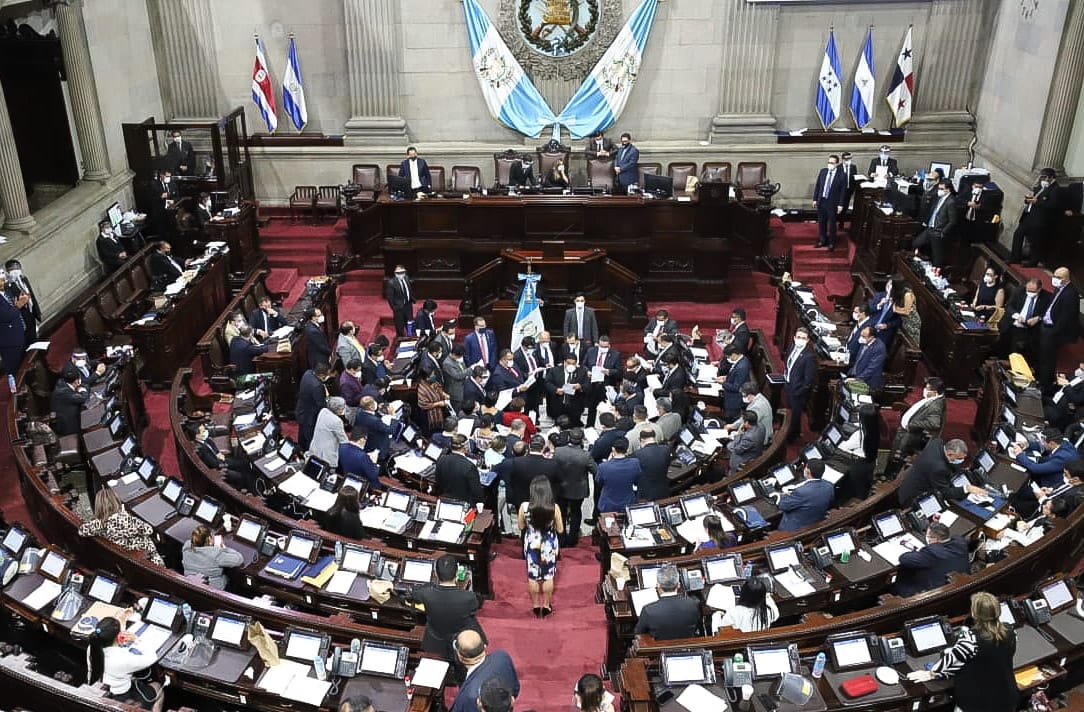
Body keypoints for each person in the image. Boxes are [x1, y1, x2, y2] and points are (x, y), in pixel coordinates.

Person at [906, 592, 1017, 712]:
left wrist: (930, 674)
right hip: (1006, 697)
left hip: (978, 703)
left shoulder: (971, 639)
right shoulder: (1010, 631)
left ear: (974, 613)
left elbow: (951, 662)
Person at [409, 554, 485, 674]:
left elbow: (412, 595)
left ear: (435, 574)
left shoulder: (426, 593)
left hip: (436, 639)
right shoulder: (468, 597)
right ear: (456, 574)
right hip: (461, 641)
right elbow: (476, 605)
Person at [86, 615, 164, 711]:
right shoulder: (123, 659)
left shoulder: (92, 647)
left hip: (99, 691)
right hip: (120, 698)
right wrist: (136, 640)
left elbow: (106, 633)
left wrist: (121, 624)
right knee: (157, 687)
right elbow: (152, 657)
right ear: (118, 636)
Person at [78, 489, 165, 566]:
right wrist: (126, 514)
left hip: (128, 560)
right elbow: (149, 530)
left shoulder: (100, 524)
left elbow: (82, 531)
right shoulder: (128, 519)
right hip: (149, 559)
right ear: (117, 502)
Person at [518, 476, 563, 617]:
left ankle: (536, 605)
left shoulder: (524, 507)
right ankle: (546, 605)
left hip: (532, 543)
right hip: (549, 544)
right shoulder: (554, 508)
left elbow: (520, 526)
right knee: (548, 576)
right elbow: (561, 530)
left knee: (533, 576)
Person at [898, 438, 986, 507]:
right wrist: (967, 488)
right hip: (913, 497)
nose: (961, 461)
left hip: (912, 481)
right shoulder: (938, 468)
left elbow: (948, 463)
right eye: (959, 459)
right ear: (950, 454)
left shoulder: (937, 443)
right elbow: (945, 492)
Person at [449, 630, 520, 712]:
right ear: (484, 647)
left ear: (460, 656)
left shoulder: (469, 696)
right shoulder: (502, 656)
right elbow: (515, 688)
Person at [893, 522, 969, 596]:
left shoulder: (932, 552)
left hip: (936, 592)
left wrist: (919, 551)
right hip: (961, 587)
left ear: (935, 539)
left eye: (928, 536)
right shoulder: (960, 542)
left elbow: (903, 559)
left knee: (904, 571)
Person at [1037, 266, 1081, 392]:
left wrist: (1053, 333)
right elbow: (1052, 306)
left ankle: (1045, 386)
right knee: (1043, 356)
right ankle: (1041, 379)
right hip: (1046, 326)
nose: (1054, 279)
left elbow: (1065, 318)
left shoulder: (1071, 294)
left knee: (1048, 360)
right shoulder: (1059, 289)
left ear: (1066, 279)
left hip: (1054, 331)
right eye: (1054, 275)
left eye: (1058, 277)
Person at [552, 428, 596, 547]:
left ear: (568, 438)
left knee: (561, 512)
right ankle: (572, 540)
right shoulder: (585, 455)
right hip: (578, 489)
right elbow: (595, 471)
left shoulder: (558, 451)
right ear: (581, 440)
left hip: (561, 488)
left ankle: (561, 538)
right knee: (576, 512)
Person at [634, 563, 701, 639]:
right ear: (678, 585)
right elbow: (696, 626)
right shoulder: (693, 604)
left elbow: (638, 634)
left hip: (659, 649)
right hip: (689, 649)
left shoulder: (648, 610)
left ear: (658, 585)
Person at [1010, 167, 1061, 266]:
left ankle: (1033, 262)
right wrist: (1028, 199)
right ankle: (1015, 257)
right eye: (1042, 177)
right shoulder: (1040, 187)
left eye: (1045, 177)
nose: (1043, 180)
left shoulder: (1056, 190)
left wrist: (1037, 201)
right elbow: (1032, 198)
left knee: (1035, 241)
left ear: (1051, 178)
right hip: (1029, 217)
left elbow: (1053, 205)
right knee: (1018, 234)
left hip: (1040, 219)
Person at [193, 421, 258, 492]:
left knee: (244, 462)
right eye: (203, 431)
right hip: (219, 469)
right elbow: (214, 464)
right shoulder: (201, 450)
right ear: (197, 435)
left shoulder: (204, 439)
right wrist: (223, 461)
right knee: (243, 473)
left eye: (205, 429)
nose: (206, 431)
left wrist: (218, 452)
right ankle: (252, 489)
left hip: (220, 460)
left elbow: (211, 442)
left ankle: (252, 479)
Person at [891, 377, 946, 459]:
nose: (924, 390)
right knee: (895, 450)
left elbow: (934, 423)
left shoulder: (936, 406)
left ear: (934, 392)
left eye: (927, 388)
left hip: (909, 434)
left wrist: (912, 425)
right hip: (906, 430)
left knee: (898, 456)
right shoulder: (932, 398)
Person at [995, 278, 1049, 361]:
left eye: (1033, 291)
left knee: (1016, 356)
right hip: (1012, 325)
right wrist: (1017, 315)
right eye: (1028, 290)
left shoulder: (1047, 297)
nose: (1029, 293)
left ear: (1039, 289)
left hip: (1027, 330)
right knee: (1001, 349)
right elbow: (1008, 306)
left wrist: (1038, 318)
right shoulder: (1019, 291)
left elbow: (1050, 313)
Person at [1008, 427, 1078, 489]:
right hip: (1049, 469)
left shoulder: (1062, 457)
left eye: (1043, 441)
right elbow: (1042, 446)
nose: (1042, 443)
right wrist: (1027, 445)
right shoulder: (1063, 442)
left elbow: (1036, 469)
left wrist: (1019, 454)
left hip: (1048, 486)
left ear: (1052, 443)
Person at [776, 460, 835, 531]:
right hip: (816, 521)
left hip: (794, 529)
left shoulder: (801, 492)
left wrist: (780, 496)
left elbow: (782, 506)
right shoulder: (829, 485)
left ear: (808, 471)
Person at [912, 180, 958, 267]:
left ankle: (936, 273)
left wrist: (943, 232)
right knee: (916, 243)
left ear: (948, 190)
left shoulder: (951, 202)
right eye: (939, 188)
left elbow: (953, 221)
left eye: (941, 189)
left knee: (937, 257)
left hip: (938, 232)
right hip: (930, 228)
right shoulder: (939, 198)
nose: (939, 191)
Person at [838, 403, 879, 501]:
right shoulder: (875, 428)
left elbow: (843, 447)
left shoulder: (860, 435)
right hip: (870, 463)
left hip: (859, 467)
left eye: (859, 414)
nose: (857, 415)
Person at [182, 525, 244, 589]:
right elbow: (239, 559)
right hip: (212, 591)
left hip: (191, 586)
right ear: (209, 538)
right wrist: (223, 547)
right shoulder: (216, 554)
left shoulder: (186, 548)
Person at [711, 575, 778, 634]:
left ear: (743, 593)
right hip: (758, 641)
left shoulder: (734, 612)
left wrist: (716, 616)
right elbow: (776, 615)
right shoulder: (768, 611)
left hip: (739, 642)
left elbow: (719, 632)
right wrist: (765, 595)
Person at [783, 326, 816, 442]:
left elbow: (809, 381)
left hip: (797, 392)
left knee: (795, 416)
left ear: (807, 340)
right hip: (788, 385)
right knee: (789, 413)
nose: (800, 340)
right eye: (798, 337)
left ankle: (791, 438)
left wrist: (799, 392)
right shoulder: (792, 347)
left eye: (803, 338)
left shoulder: (809, 357)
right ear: (794, 338)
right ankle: (791, 432)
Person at [436, 434, 485, 506]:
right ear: (465, 446)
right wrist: (480, 501)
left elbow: (438, 481)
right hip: (465, 503)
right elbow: (476, 491)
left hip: (445, 500)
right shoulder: (469, 466)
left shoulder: (441, 460)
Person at [596, 437, 640, 513]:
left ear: (613, 449)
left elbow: (598, 481)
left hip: (608, 504)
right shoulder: (635, 463)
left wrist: (608, 462)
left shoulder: (603, 466)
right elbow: (637, 480)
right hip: (628, 502)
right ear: (626, 449)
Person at [813, 153, 847, 250]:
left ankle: (832, 242)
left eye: (832, 163)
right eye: (829, 162)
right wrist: (815, 199)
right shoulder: (823, 172)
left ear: (837, 164)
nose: (830, 164)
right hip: (822, 201)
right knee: (821, 222)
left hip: (832, 203)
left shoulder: (842, 175)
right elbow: (818, 186)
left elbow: (843, 191)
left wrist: (840, 204)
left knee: (832, 224)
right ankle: (822, 240)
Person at [3, 260, 40, 345]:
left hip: (31, 313)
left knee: (35, 337)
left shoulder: (24, 279)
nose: (16, 271)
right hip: (22, 317)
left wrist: (37, 312)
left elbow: (32, 295)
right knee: (28, 340)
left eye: (17, 268)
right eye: (12, 269)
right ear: (8, 272)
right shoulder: (8, 288)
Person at [546, 353, 588, 427]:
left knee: (574, 427)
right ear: (564, 362)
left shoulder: (582, 372)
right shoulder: (554, 370)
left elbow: (588, 385)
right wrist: (556, 389)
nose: (571, 365)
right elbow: (547, 383)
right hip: (559, 404)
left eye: (573, 363)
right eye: (568, 363)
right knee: (559, 426)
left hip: (575, 405)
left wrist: (580, 386)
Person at [296, 363, 331, 450]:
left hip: (301, 410)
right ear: (322, 375)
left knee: (302, 435)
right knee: (310, 439)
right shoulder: (317, 386)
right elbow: (321, 405)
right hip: (309, 417)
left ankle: (300, 450)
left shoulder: (308, 373)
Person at [354, 395, 398, 462]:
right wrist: (393, 416)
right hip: (377, 446)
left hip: (368, 441)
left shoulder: (360, 414)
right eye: (373, 402)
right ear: (371, 407)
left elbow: (372, 415)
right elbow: (391, 430)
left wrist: (379, 411)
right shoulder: (375, 421)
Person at [633, 428, 671, 501]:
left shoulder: (637, 454)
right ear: (654, 437)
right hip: (664, 491)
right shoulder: (666, 449)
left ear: (641, 439)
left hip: (645, 495)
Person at [310, 396, 349, 467]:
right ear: (338, 409)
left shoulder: (323, 411)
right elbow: (343, 440)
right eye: (343, 408)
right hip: (326, 455)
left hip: (315, 448)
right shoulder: (337, 421)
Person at [50, 366, 89, 436]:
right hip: (67, 425)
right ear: (76, 381)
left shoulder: (62, 382)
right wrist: (83, 390)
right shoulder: (64, 392)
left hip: (65, 415)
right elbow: (83, 397)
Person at [847, 326, 886, 391]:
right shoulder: (865, 342)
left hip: (867, 382)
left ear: (871, 337)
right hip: (855, 374)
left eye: (863, 337)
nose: (861, 338)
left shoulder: (879, 348)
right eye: (861, 335)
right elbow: (859, 360)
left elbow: (871, 369)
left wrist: (856, 380)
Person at [717, 345, 751, 420]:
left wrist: (723, 383)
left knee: (731, 419)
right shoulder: (742, 360)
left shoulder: (742, 367)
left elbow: (736, 387)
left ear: (734, 354)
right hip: (731, 396)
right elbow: (735, 375)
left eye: (728, 357)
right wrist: (726, 377)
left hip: (734, 400)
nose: (728, 359)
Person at [728, 410, 765, 475]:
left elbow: (737, 450)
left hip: (747, 458)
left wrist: (739, 434)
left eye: (743, 421)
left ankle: (732, 475)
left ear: (747, 423)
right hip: (757, 451)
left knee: (730, 447)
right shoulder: (761, 426)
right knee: (730, 446)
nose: (742, 423)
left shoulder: (749, 438)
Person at [869, 278, 903, 349]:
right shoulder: (879, 295)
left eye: (891, 285)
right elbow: (869, 309)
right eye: (888, 283)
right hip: (870, 328)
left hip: (883, 334)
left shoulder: (898, 303)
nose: (888, 286)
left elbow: (898, 321)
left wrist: (886, 325)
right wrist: (879, 304)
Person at [384, 264, 416, 336]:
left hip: (408, 305)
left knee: (410, 322)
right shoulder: (391, 283)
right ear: (395, 273)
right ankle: (401, 338)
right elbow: (390, 297)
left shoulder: (406, 278)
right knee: (400, 325)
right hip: (398, 308)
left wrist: (411, 299)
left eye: (402, 272)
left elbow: (409, 290)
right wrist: (394, 308)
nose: (401, 274)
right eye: (399, 273)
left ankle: (410, 335)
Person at [837, 150, 859, 229]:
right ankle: (839, 222)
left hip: (849, 190)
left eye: (849, 159)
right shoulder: (838, 167)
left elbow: (854, 178)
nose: (848, 160)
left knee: (845, 207)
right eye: (846, 159)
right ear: (843, 159)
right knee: (840, 206)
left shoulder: (853, 167)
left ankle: (842, 222)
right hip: (840, 191)